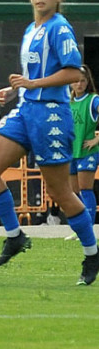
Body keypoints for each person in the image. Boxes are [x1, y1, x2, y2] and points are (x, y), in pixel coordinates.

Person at [0, 0, 99, 285]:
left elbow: (73, 72)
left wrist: (32, 84)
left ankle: (92, 253)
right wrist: (15, 90)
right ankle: (15, 236)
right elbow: (36, 75)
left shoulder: (60, 28)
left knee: (61, 192)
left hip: (51, 116)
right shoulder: (32, 29)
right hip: (25, 110)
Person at [65, 64, 99, 240]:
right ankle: (79, 228)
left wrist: (96, 139)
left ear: (87, 82)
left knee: (86, 189)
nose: (79, 84)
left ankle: (88, 229)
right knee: (74, 192)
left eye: (83, 81)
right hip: (72, 152)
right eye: (76, 81)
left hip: (87, 151)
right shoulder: (67, 102)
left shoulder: (93, 100)